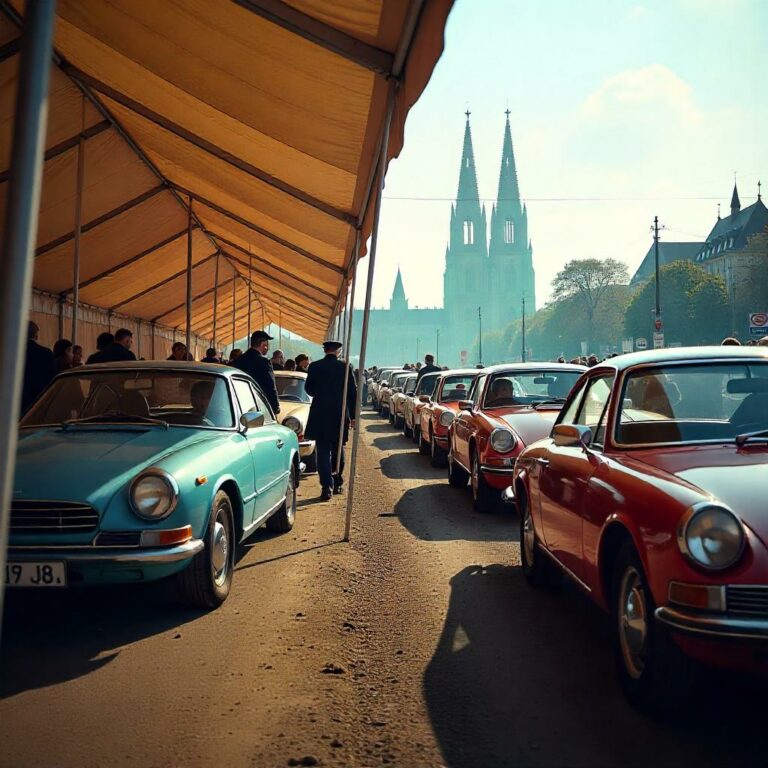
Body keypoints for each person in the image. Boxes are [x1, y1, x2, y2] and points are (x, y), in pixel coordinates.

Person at [305, 339, 357, 500]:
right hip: (339, 413)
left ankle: (326, 485)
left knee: (322, 451)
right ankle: (337, 481)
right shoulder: (345, 367)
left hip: (320, 412)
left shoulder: (314, 366)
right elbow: (352, 393)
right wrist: (354, 416)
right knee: (338, 447)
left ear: (324, 350)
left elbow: (309, 389)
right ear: (338, 351)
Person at [232, 330, 280, 414]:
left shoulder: (238, 360)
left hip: (238, 404)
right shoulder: (264, 362)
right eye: (267, 345)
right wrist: (275, 407)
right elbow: (270, 386)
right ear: (263, 345)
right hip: (258, 406)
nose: (267, 347)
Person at [22, 321, 55, 413]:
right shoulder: (45, 353)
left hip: (16, 398)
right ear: (36, 335)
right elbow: (52, 377)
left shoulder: (9, 352)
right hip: (39, 399)